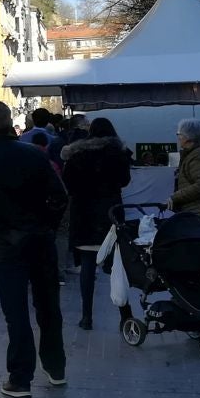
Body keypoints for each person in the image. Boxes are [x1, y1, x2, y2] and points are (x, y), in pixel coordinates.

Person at [0, 101, 68, 398]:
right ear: (10, 123)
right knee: (48, 305)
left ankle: (21, 378)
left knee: (16, 311)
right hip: (40, 240)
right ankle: (56, 366)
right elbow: (60, 197)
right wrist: (47, 224)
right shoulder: (34, 154)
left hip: (7, 244)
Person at [61, 118, 132, 330]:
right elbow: (124, 181)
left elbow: (68, 183)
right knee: (118, 265)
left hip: (84, 214)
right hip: (111, 214)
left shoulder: (77, 154)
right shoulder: (118, 153)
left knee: (87, 265)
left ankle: (86, 317)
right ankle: (125, 315)